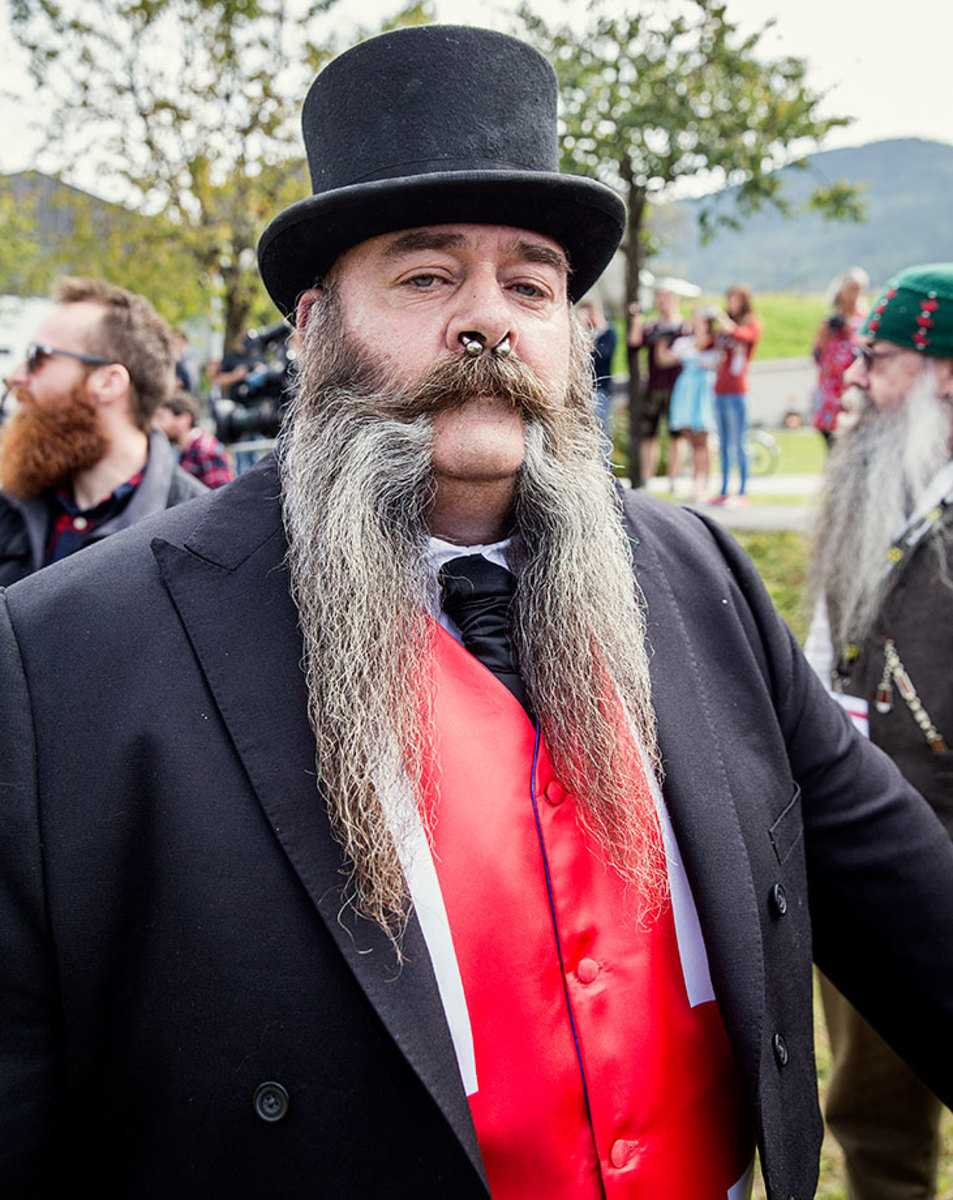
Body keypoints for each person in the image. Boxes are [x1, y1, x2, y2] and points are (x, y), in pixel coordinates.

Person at [3, 27, 953, 1200]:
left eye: (529, 283)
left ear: (569, 338)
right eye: (423, 274)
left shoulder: (698, 576)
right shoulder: (69, 659)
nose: (485, 321)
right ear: (312, 331)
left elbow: (912, 911)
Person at [805, 263, 953, 1200]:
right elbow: (823, 661)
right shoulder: (869, 480)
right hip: (872, 857)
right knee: (872, 1110)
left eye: (884, 358)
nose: (857, 376)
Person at [0, 276, 206, 585]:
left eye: (37, 358)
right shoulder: (12, 498)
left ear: (108, 383)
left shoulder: (197, 537)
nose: (15, 377)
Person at [626, 284, 690, 487]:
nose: (661, 303)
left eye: (665, 298)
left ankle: (674, 478)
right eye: (658, 298)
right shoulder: (653, 327)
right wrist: (637, 321)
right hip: (653, 387)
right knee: (648, 434)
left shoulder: (685, 328)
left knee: (676, 436)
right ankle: (647, 478)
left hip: (677, 388)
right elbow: (634, 344)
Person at [656, 307, 719, 501]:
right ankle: (696, 482)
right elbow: (665, 360)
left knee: (703, 439)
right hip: (687, 389)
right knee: (691, 439)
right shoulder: (685, 343)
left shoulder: (715, 344)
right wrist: (660, 341)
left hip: (703, 389)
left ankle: (705, 483)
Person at [710, 284, 762, 507]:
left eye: (735, 299)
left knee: (739, 442)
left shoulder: (752, 324)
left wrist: (725, 324)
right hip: (719, 389)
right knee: (723, 443)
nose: (731, 303)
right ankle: (723, 490)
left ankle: (742, 491)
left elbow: (744, 335)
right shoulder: (723, 327)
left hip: (737, 391)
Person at [812, 267, 869, 445]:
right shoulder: (831, 322)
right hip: (830, 393)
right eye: (851, 289)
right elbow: (818, 356)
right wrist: (827, 333)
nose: (854, 295)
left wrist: (849, 330)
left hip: (852, 393)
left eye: (858, 290)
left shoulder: (864, 320)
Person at [154, 390, 235, 489]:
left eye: (161, 418)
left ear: (185, 419)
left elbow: (220, 495)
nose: (156, 425)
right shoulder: (181, 449)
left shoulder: (205, 450)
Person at [576, 298, 617, 437]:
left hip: (600, 388)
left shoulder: (608, 333)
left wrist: (588, 345)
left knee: (600, 431)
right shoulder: (582, 333)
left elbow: (601, 354)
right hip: (581, 389)